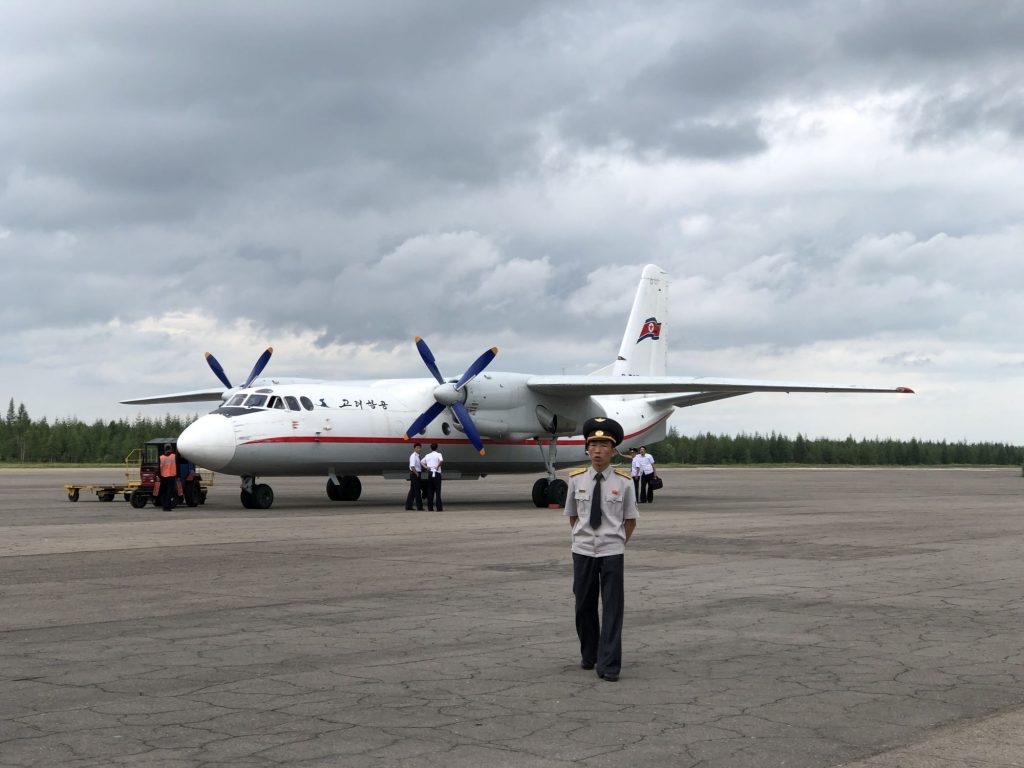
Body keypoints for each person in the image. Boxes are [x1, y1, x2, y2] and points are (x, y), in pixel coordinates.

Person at [564, 417, 638, 682]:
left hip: (611, 552)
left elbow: (630, 520)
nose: (597, 450)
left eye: (603, 445)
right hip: (582, 550)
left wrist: (615, 542)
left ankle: (609, 665)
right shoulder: (575, 480)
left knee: (612, 608)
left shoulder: (625, 482)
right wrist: (584, 538)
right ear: (586, 449)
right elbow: (573, 516)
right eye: (592, 444)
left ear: (613, 450)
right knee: (583, 605)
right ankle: (590, 653)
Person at [422, 443, 444, 511]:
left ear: (431, 448)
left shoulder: (427, 455)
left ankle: (430, 507)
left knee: (430, 491)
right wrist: (437, 467)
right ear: (436, 448)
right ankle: (439, 507)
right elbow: (441, 460)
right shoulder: (439, 454)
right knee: (438, 491)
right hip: (437, 473)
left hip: (430, 473)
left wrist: (426, 467)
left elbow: (421, 462)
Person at [158, 444, 179, 511]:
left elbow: (158, 468)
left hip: (163, 477)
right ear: (171, 449)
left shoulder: (161, 457)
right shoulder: (174, 456)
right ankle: (168, 507)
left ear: (164, 449)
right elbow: (177, 467)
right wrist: (178, 476)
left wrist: (159, 476)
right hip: (171, 477)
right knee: (169, 493)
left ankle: (164, 507)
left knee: (163, 492)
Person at [405, 443, 425, 510]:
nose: (419, 449)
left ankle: (408, 506)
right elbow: (412, 466)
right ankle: (419, 507)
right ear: (414, 448)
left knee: (412, 490)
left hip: (416, 473)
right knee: (417, 491)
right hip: (415, 474)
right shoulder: (413, 456)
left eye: (419, 448)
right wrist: (416, 473)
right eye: (417, 448)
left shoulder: (418, 456)